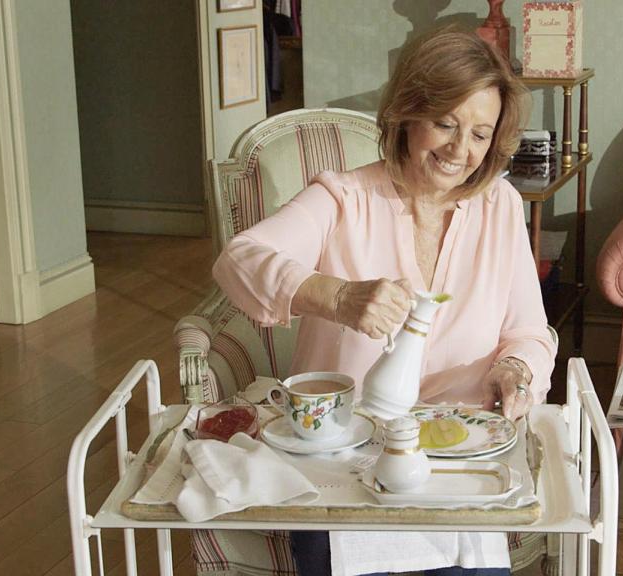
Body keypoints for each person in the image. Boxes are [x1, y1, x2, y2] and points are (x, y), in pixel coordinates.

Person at [213, 27, 557, 576]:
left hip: (460, 463)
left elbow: (529, 333)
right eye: (445, 123)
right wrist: (338, 296)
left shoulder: (501, 207)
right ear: (407, 114)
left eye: (479, 133)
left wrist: (516, 369)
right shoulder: (343, 199)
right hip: (344, 466)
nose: (460, 150)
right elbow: (239, 260)